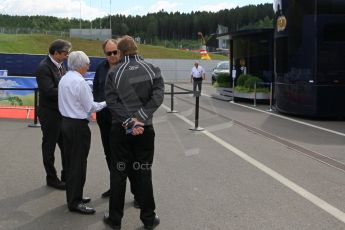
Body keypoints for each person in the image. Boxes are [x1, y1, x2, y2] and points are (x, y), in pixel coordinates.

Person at [104, 35, 164, 230]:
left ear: (120, 52)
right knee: (143, 172)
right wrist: (140, 117)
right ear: (136, 49)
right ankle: (148, 218)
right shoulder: (152, 69)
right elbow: (158, 96)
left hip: (121, 129)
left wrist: (130, 121)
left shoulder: (114, 72)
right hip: (144, 129)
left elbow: (112, 102)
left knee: (119, 172)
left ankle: (115, 219)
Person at [58, 51, 106, 215]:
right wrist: (108, 102)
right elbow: (91, 107)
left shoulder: (65, 78)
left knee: (71, 162)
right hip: (78, 126)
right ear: (82, 65)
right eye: (87, 64)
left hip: (65, 123)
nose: (88, 67)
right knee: (79, 164)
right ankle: (75, 202)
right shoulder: (80, 82)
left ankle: (73, 196)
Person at [93, 39, 139, 204]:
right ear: (105, 54)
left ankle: (137, 193)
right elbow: (96, 91)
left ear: (120, 51)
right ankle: (116, 188)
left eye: (115, 52)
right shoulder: (100, 68)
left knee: (131, 157)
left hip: (125, 120)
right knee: (110, 154)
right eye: (109, 53)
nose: (112, 56)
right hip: (105, 119)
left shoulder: (129, 68)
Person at [36, 39, 71, 190]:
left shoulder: (62, 64)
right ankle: (51, 178)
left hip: (61, 113)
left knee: (66, 146)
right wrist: (70, 89)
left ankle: (66, 175)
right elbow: (49, 91)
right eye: (65, 53)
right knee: (49, 147)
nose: (67, 55)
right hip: (49, 114)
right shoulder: (43, 67)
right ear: (55, 53)